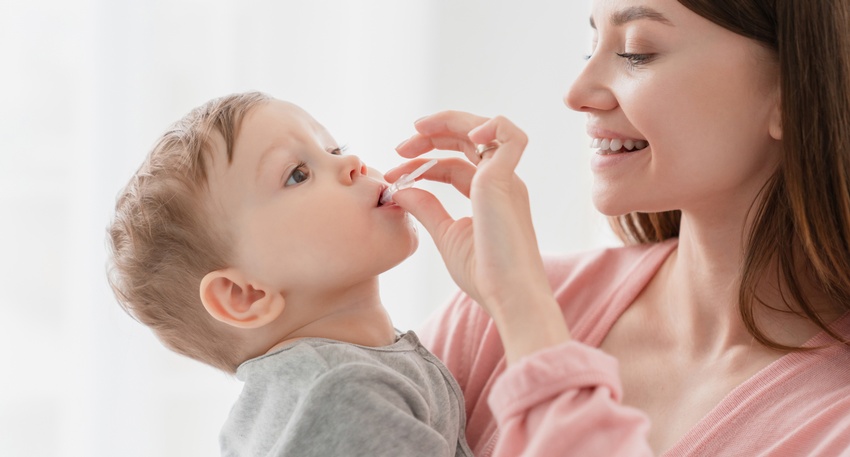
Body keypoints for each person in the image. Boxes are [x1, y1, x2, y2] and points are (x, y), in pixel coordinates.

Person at [386, 1, 850, 455]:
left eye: (636, 52)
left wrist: (525, 313)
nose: (576, 92)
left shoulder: (833, 424)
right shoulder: (491, 315)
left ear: (792, 91)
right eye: (590, 49)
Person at [106, 92, 473, 457]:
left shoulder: (325, 383)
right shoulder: (345, 395)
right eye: (298, 175)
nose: (352, 163)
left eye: (334, 150)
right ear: (245, 295)